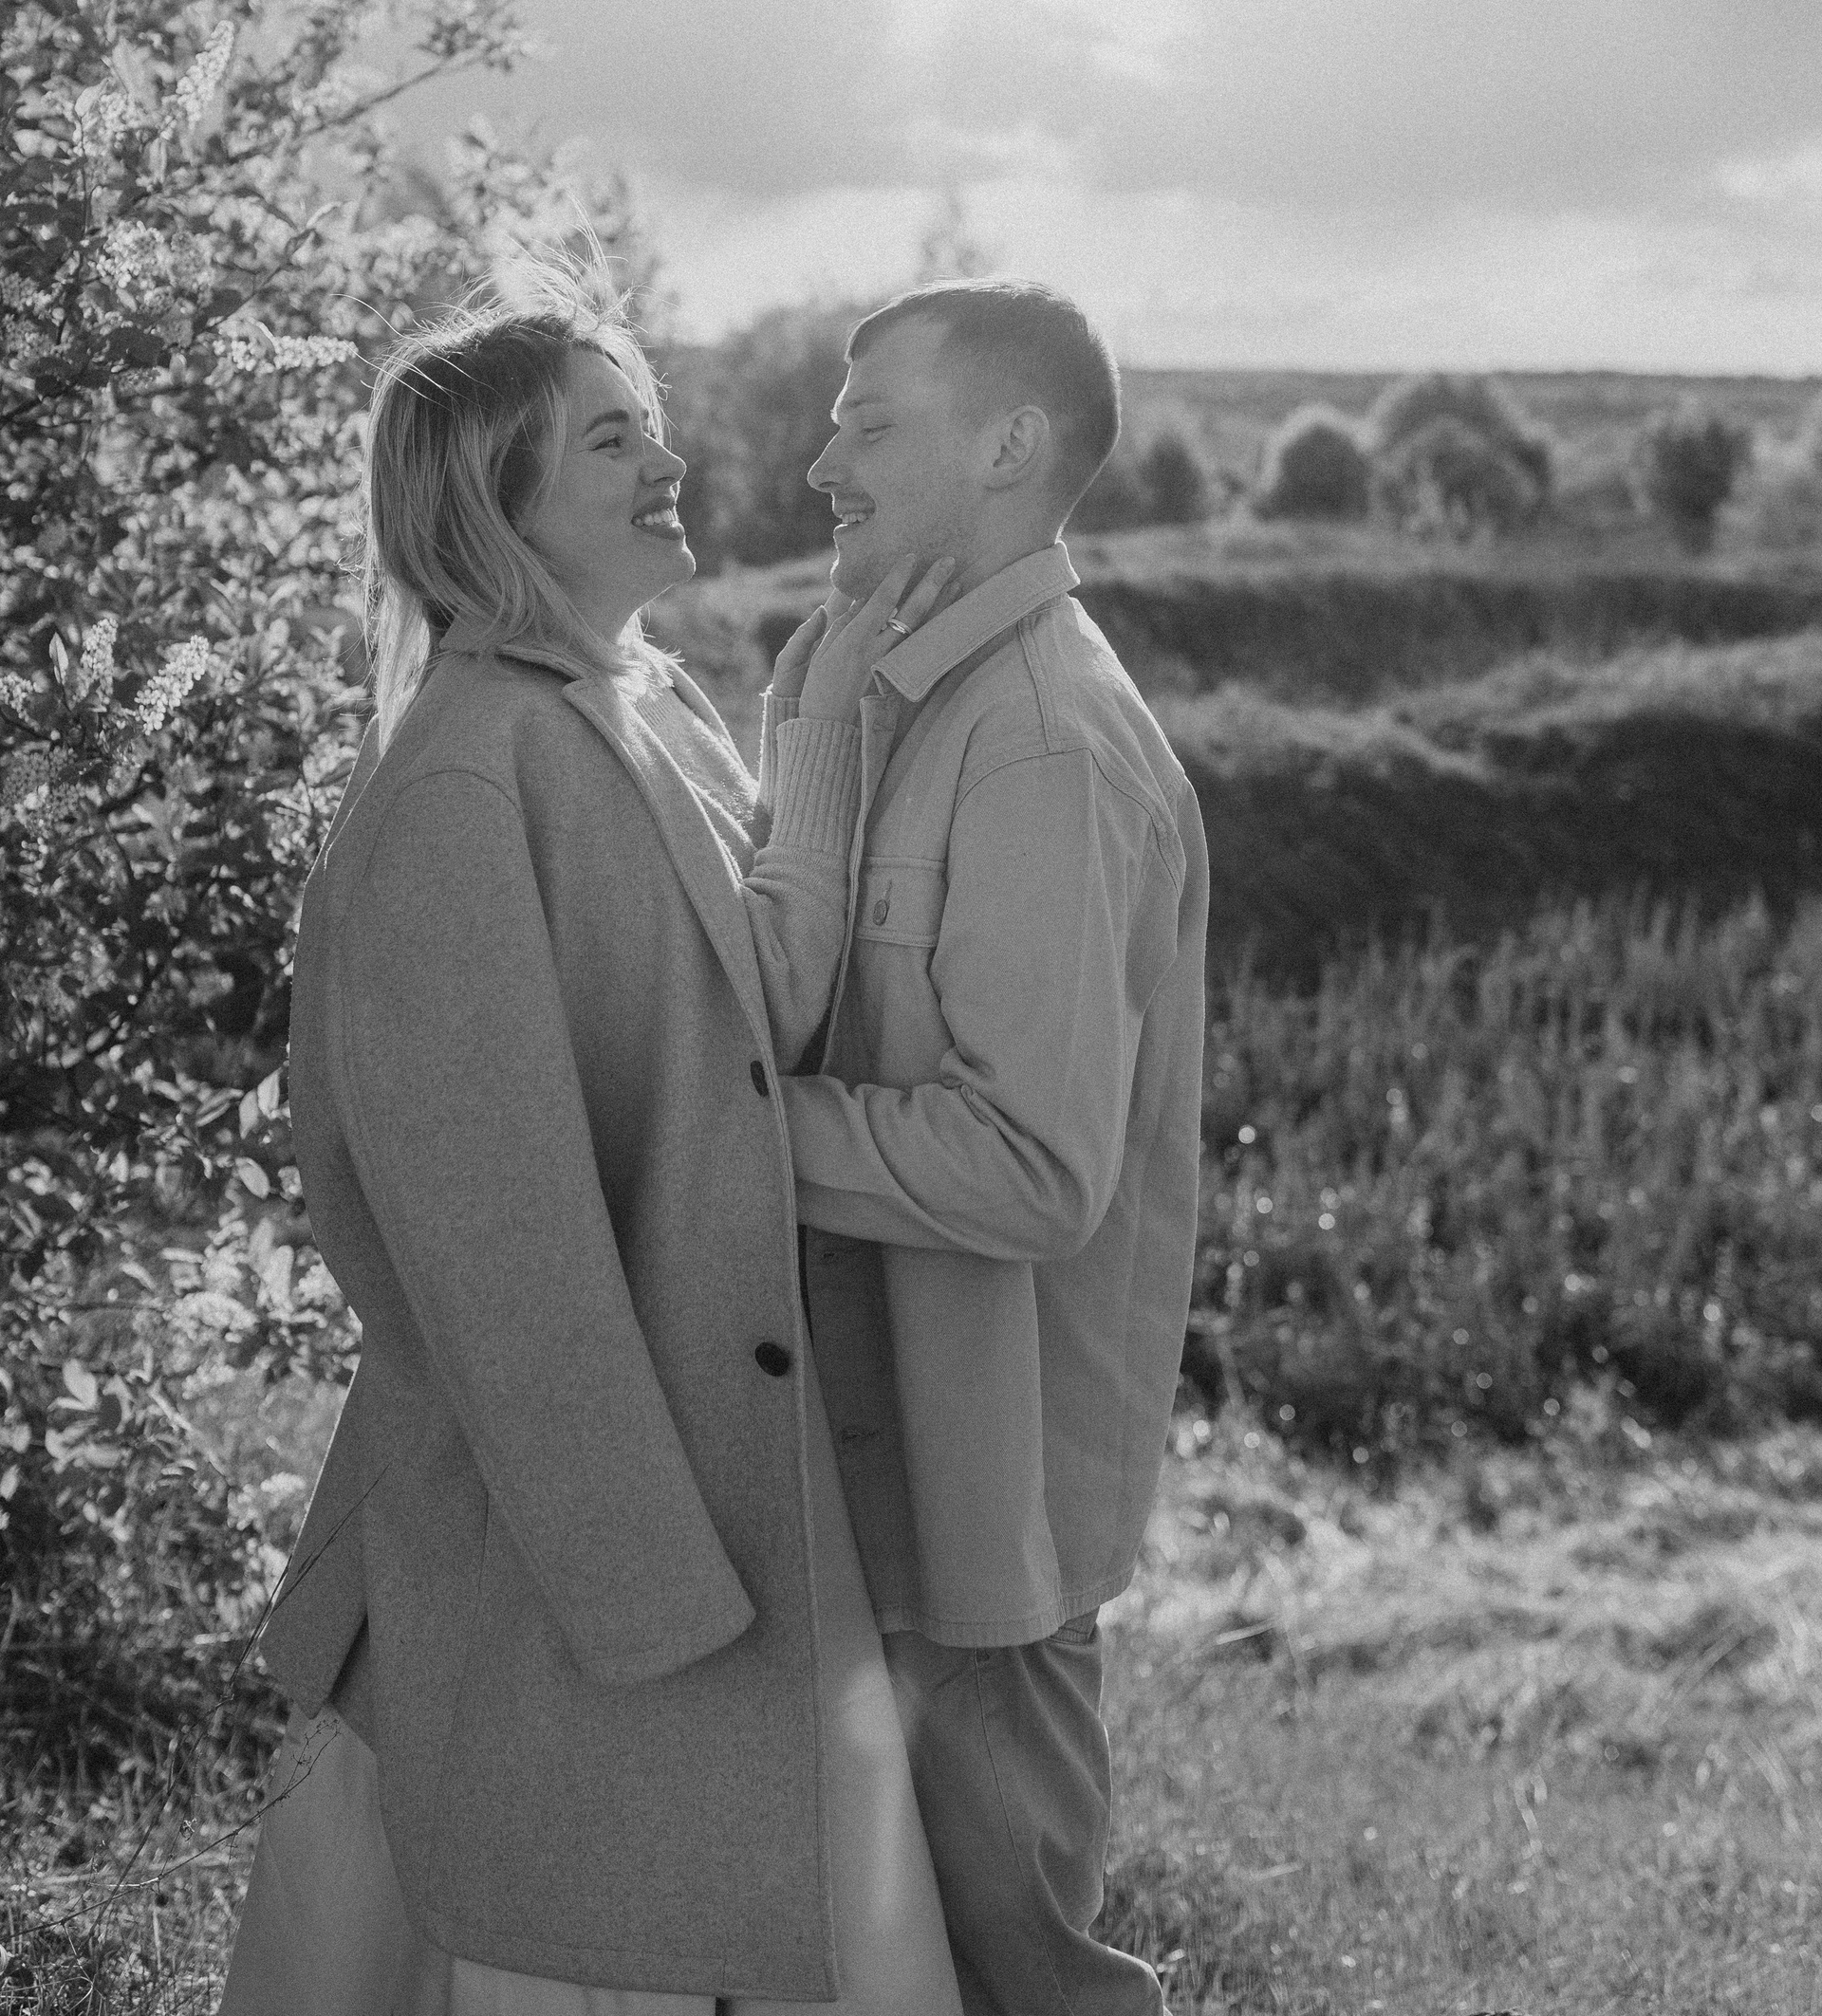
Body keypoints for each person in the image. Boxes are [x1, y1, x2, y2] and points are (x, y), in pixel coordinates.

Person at [218, 254, 964, 2016]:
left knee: (730, 1916)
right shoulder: (464, 778)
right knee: (550, 1934)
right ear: (495, 503)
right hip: (588, 1536)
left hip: (724, 1471)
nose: (668, 462)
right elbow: (498, 1242)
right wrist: (644, 1594)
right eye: (610, 438)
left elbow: (761, 1007)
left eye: (652, 422)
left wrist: (818, 719)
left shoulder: (643, 707)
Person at [770, 281, 1210, 2016]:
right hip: (874, 1478)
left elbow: (1032, 1167)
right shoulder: (901, 696)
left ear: (1012, 446)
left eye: (871, 425)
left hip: (975, 1518)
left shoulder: (1041, 745)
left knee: (1021, 1984)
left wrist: (725, 1131)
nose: (822, 467)